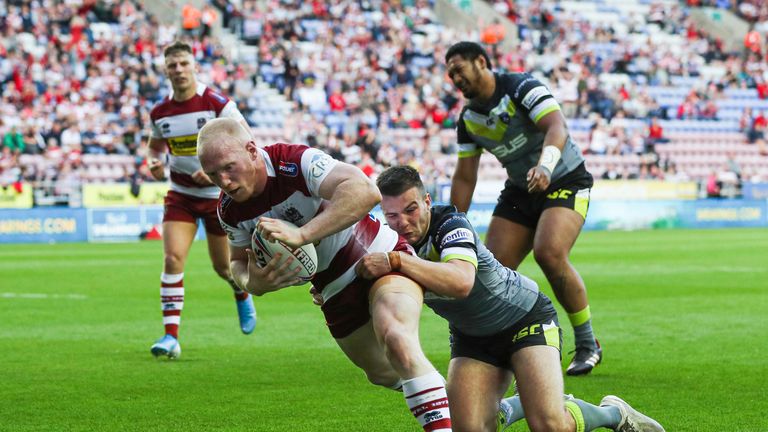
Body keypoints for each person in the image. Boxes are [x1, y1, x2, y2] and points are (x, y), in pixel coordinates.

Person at [356, 166, 664, 432]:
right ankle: (518, 403)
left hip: (525, 319)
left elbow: (461, 282)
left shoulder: (450, 224)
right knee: (468, 427)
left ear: (426, 202)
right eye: (392, 215)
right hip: (472, 338)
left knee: (548, 424)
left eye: (411, 210)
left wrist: (397, 262)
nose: (403, 223)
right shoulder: (388, 241)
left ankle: (614, 413)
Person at [196, 118, 452, 432]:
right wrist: (253, 283)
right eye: (212, 175)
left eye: (228, 167)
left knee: (397, 339)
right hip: (332, 290)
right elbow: (236, 262)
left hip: (378, 255)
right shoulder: (228, 211)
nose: (223, 181)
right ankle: (464, 401)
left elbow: (365, 191)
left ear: (251, 150)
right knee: (384, 372)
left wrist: (302, 235)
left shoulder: (293, 162)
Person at [445, 41, 601, 375]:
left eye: (459, 68)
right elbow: (465, 177)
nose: (455, 78)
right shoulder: (468, 120)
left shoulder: (520, 86)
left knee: (549, 253)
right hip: (521, 189)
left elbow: (556, 126)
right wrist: (449, 223)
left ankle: (588, 343)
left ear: (482, 62)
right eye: (450, 73)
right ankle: (501, 345)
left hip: (565, 179)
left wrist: (546, 166)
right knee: (492, 269)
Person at [147, 41, 256, 359]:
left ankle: (240, 291)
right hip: (180, 195)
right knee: (172, 259)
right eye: (172, 65)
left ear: (195, 66)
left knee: (223, 267)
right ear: (165, 70)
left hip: (217, 197)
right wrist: (153, 165)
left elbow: (246, 140)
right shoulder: (160, 112)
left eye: (183, 63)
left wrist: (216, 170)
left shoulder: (216, 103)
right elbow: (155, 148)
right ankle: (171, 337)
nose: (179, 70)